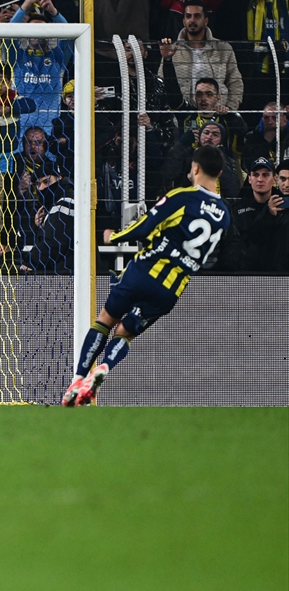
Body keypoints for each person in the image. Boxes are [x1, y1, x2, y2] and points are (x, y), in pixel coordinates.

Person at [64, 146, 232, 407]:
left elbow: (145, 227)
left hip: (144, 271)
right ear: (219, 173)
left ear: (195, 168)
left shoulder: (182, 197)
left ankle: (77, 381)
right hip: (171, 289)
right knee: (124, 333)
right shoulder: (225, 216)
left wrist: (114, 237)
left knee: (105, 320)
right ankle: (104, 369)